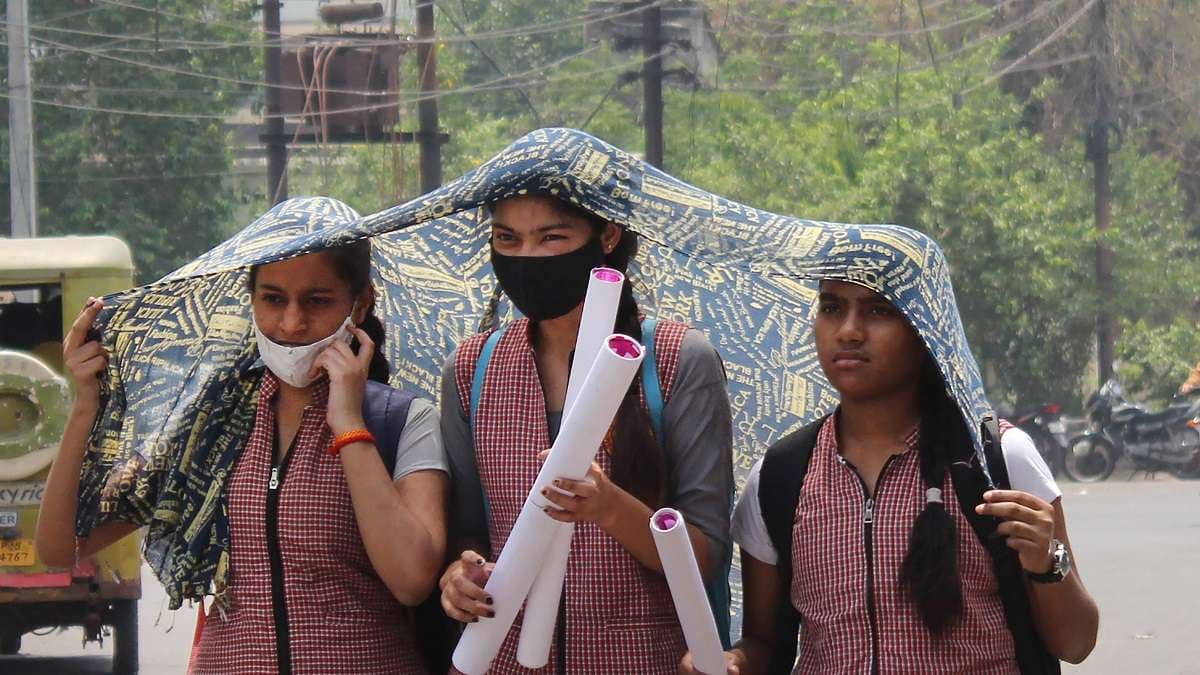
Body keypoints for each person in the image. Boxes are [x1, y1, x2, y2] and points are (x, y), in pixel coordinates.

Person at [37, 230, 449, 675]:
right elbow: (60, 548)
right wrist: (85, 404)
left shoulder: (403, 420)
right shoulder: (209, 423)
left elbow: (411, 580)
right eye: (273, 299)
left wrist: (349, 425)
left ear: (360, 304)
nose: (291, 323)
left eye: (317, 301)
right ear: (250, 300)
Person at [682, 279, 1099, 674]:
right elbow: (764, 641)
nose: (848, 331)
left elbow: (1077, 643)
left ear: (925, 330)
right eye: (832, 308)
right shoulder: (780, 476)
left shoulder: (996, 460)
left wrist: (1047, 563)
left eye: (879, 311)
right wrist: (734, 661)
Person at [437, 194, 735, 674]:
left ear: (608, 236)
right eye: (507, 239)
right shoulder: (473, 369)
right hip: (502, 661)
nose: (527, 258)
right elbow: (468, 527)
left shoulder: (675, 360)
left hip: (640, 661)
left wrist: (609, 507)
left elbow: (704, 554)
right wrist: (459, 574)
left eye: (551, 237)